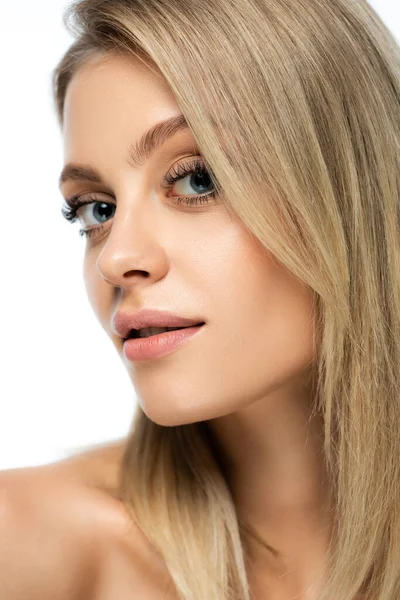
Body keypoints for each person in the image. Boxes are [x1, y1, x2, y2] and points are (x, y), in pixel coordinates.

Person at [1, 0, 399, 598]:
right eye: (97, 210)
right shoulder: (27, 542)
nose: (115, 257)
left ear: (349, 188)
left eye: (197, 178)